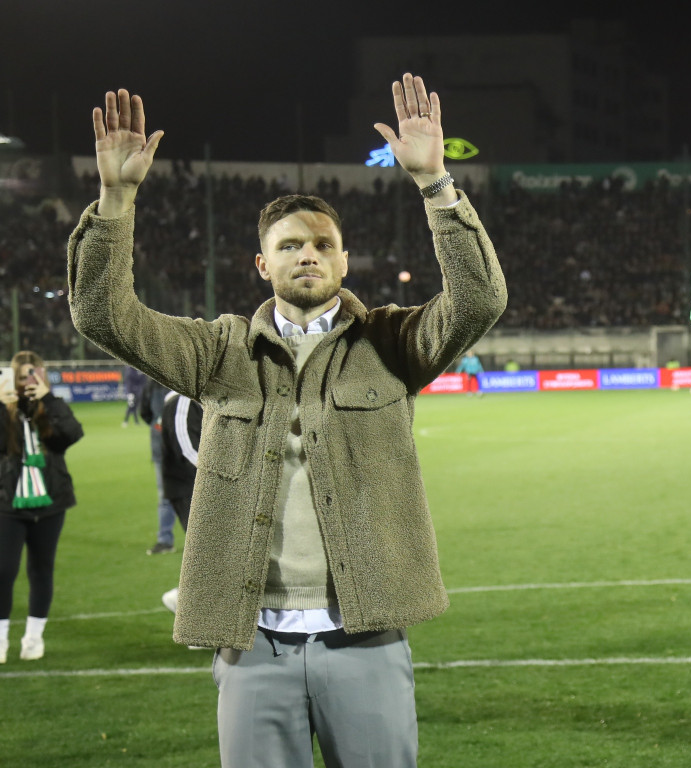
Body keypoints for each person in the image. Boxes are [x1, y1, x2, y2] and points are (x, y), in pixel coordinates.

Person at [68, 73, 506, 766]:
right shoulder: (218, 353)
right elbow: (103, 315)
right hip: (254, 647)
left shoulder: (391, 344)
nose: (308, 254)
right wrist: (116, 200)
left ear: (344, 259)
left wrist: (435, 185)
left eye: (323, 244)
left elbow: (479, 300)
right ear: (261, 264)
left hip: (366, 638)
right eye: (290, 245)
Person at [0, 351, 85, 662]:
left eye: (34, 375)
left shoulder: (50, 405)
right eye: (23, 377)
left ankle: (33, 639)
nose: (28, 383)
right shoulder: (5, 408)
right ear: (13, 378)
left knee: (41, 571)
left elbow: (72, 434)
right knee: (3, 571)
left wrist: (49, 400)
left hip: (51, 503)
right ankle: (1, 638)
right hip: (8, 503)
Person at [158, 390, 201, 615]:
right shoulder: (183, 399)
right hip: (189, 487)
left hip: (200, 486)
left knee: (215, 555)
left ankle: (185, 604)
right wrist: (222, 475)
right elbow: (187, 449)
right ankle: (187, 608)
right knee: (210, 554)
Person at [138, 376, 179, 554]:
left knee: (167, 495)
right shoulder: (153, 383)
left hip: (183, 447)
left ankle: (166, 539)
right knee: (166, 494)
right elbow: (145, 412)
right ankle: (165, 540)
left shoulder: (153, 383)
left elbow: (145, 414)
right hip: (164, 448)